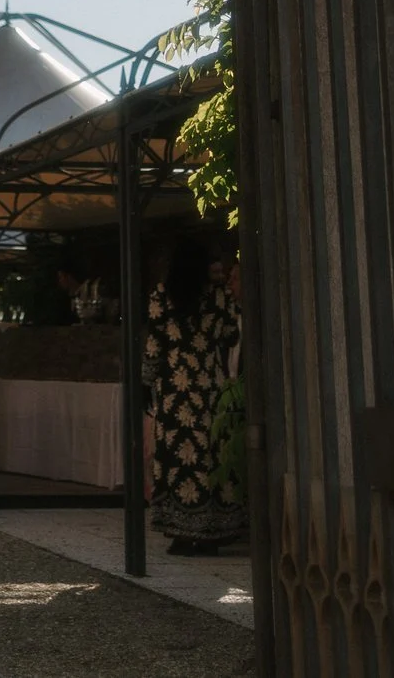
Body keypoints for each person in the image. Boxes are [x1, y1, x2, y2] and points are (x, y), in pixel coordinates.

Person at [143, 237, 246, 554]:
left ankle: (181, 532)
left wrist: (146, 381)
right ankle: (212, 531)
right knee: (209, 454)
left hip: (176, 389)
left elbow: (155, 344)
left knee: (177, 457)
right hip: (210, 384)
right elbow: (231, 335)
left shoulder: (163, 295)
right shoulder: (218, 296)